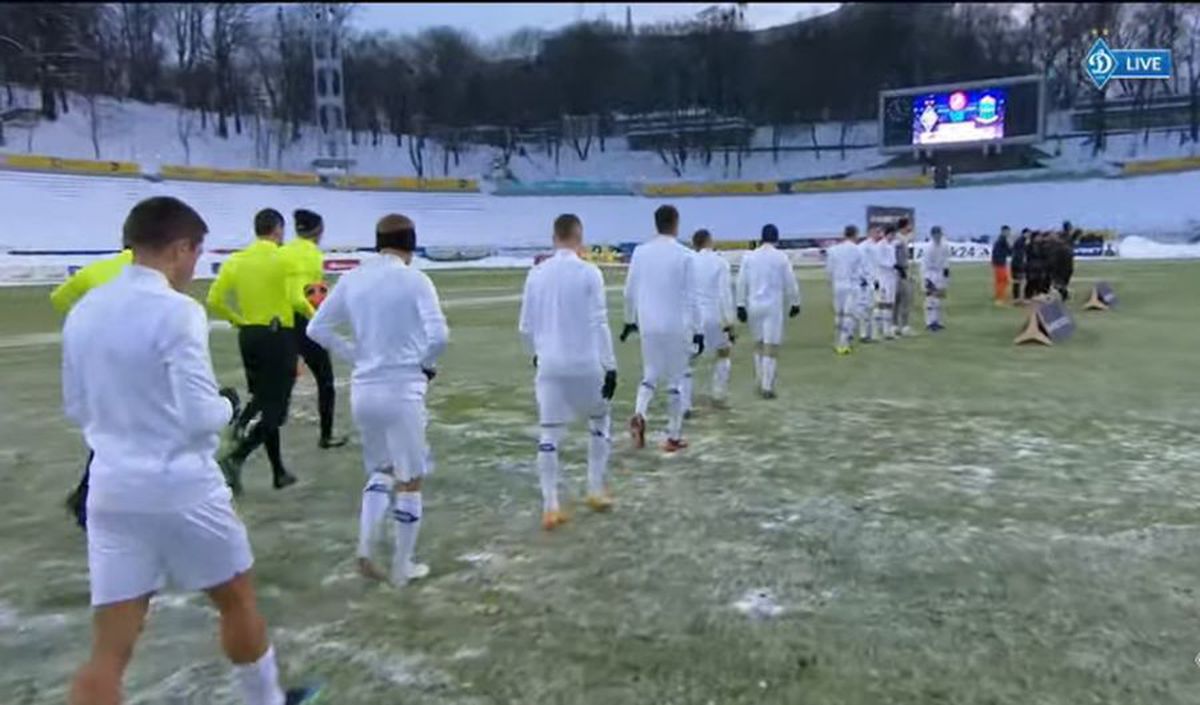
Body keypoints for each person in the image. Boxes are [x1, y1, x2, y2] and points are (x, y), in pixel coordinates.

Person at [61, 196, 320, 705]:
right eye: (197, 254)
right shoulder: (177, 311)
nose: (195, 268)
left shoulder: (86, 309)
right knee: (236, 600)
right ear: (180, 248)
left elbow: (76, 406)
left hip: (112, 489)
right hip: (181, 485)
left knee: (111, 646)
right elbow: (201, 416)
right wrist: (226, 407)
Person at [306, 214, 449, 585]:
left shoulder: (353, 277)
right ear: (412, 243)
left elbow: (316, 328)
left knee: (381, 470)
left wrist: (356, 356)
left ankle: (366, 548)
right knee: (410, 477)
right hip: (401, 388)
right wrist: (426, 366)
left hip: (364, 389)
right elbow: (439, 337)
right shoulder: (415, 279)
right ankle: (403, 567)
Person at [516, 214, 618, 531]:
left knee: (549, 434)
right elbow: (599, 323)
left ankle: (550, 507)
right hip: (585, 364)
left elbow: (525, 327)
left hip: (550, 365)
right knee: (599, 420)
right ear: (579, 237)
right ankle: (594, 489)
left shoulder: (537, 274)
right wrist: (610, 365)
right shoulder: (590, 272)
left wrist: (535, 355)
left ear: (554, 237)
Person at [207, 209, 315, 495]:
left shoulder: (237, 260)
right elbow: (295, 297)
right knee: (276, 410)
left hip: (249, 336)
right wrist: (315, 312)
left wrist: (236, 319)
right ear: (278, 230)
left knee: (264, 401)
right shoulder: (284, 258)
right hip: (278, 337)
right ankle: (235, 457)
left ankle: (278, 471)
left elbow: (214, 298)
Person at [50, 241, 135, 531]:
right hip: (130, 359)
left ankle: (86, 498)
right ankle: (87, 500)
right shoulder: (148, 274)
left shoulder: (95, 270)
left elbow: (59, 298)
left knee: (111, 427)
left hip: (93, 358)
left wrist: (86, 321)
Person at [621, 205, 703, 453]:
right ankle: (673, 436)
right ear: (676, 223)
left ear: (655, 224)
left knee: (649, 375)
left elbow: (629, 291)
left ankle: (639, 413)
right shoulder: (685, 255)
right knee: (676, 381)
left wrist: (629, 320)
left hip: (649, 323)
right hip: (676, 324)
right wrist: (698, 329)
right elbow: (692, 296)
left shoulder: (640, 252)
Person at [280, 208, 346, 449]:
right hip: (302, 322)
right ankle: (326, 436)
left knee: (282, 382)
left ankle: (250, 425)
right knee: (325, 380)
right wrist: (315, 317)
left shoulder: (284, 251)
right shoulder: (311, 254)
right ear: (318, 230)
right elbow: (301, 297)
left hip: (281, 322)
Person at [735, 224, 801, 399]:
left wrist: (740, 305)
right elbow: (790, 282)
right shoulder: (781, 258)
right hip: (772, 307)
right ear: (776, 238)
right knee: (771, 346)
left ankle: (759, 379)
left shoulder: (749, 257)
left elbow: (741, 282)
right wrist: (795, 302)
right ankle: (767, 385)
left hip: (754, 305)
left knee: (758, 344)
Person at [684, 228, 736, 410]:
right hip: (714, 315)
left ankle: (685, 403)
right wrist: (729, 321)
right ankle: (718, 394)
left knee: (689, 359)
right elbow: (725, 294)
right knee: (723, 354)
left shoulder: (688, 262)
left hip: (693, 317)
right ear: (709, 241)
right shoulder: (720, 262)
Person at [824, 225, 864, 355]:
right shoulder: (857, 250)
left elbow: (829, 270)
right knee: (849, 315)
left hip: (838, 285)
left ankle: (838, 340)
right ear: (855, 235)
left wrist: (830, 282)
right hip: (851, 286)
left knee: (839, 314)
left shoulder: (833, 250)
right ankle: (844, 342)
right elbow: (860, 270)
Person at [921, 226, 951, 331]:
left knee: (938, 299)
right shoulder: (928, 247)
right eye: (936, 234)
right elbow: (925, 264)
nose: (938, 236)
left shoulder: (945, 245)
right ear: (932, 235)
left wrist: (946, 271)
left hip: (940, 273)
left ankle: (937, 321)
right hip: (930, 273)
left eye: (939, 234)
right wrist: (926, 278)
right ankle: (929, 322)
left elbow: (946, 259)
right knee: (930, 299)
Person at [874, 225, 899, 340]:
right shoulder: (880, 246)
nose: (893, 236)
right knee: (882, 303)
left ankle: (886, 330)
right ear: (887, 234)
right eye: (891, 234)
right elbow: (880, 261)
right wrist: (892, 265)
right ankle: (880, 330)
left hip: (891, 277)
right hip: (883, 278)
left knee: (889, 303)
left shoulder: (891, 245)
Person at [892, 217, 916, 337]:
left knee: (900, 299)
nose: (910, 227)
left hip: (903, 270)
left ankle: (896, 325)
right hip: (900, 271)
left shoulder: (906, 238)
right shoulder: (898, 240)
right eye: (909, 225)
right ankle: (902, 326)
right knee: (902, 299)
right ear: (904, 226)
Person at [856, 227, 880, 343]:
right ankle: (863, 334)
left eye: (879, 232)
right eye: (876, 232)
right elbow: (858, 264)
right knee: (863, 309)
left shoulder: (876, 246)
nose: (878, 234)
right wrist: (862, 278)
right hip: (864, 282)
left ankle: (872, 334)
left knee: (872, 308)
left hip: (873, 281)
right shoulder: (862, 247)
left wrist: (876, 279)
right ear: (870, 233)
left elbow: (875, 266)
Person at [991, 225, 1012, 305]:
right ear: (1004, 231)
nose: (1009, 233)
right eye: (1008, 231)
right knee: (1002, 281)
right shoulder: (1002, 240)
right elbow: (1009, 251)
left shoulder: (1000, 240)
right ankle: (999, 298)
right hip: (1000, 263)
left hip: (999, 262)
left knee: (1001, 280)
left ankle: (999, 296)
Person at [1010, 228, 1029, 303]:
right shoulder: (1021, 241)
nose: (1029, 235)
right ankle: (1017, 298)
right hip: (1018, 264)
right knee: (1018, 281)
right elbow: (1020, 254)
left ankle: (1017, 298)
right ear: (1025, 233)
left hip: (1016, 263)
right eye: (1028, 233)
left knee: (1018, 281)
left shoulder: (1020, 241)